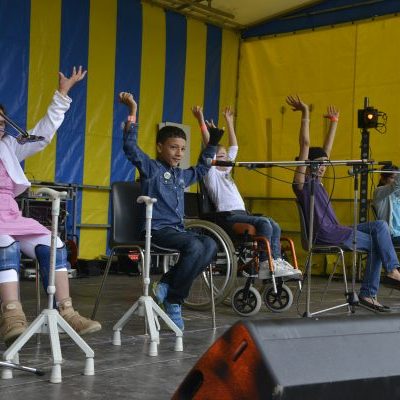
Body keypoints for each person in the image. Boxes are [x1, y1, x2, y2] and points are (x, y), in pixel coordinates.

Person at [0, 67, 102, 346]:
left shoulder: (9, 146)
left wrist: (62, 94)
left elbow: (42, 134)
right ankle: (11, 316)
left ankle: (66, 311)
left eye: (1, 122)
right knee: (4, 244)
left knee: (54, 244)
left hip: (10, 216)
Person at [288, 94, 400, 312]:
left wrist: (334, 123)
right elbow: (306, 144)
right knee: (379, 242)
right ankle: (372, 290)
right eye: (317, 164)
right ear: (307, 164)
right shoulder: (301, 184)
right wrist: (305, 114)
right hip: (326, 234)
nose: (322, 167)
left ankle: (388, 272)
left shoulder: (318, 181)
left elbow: (326, 153)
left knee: (380, 227)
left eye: (323, 165)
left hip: (338, 229)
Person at [119, 92, 222, 330]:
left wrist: (213, 143)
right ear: (159, 147)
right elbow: (130, 147)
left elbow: (202, 169)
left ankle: (166, 285)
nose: (179, 153)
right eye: (173, 147)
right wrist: (133, 110)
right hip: (155, 229)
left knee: (211, 245)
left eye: (183, 149)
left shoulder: (181, 175)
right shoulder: (151, 168)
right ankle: (174, 301)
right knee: (195, 246)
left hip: (176, 230)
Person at [191, 105, 300, 280]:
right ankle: (265, 263)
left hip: (242, 213)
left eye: (225, 156)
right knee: (264, 222)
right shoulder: (211, 174)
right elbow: (208, 148)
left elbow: (234, 147)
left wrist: (230, 122)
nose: (225, 159)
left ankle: (276, 261)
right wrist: (201, 121)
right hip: (228, 216)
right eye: (220, 156)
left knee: (274, 224)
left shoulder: (227, 172)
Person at [373, 165, 400, 246]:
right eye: (392, 178)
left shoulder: (396, 194)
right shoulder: (379, 192)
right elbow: (395, 185)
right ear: (383, 179)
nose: (395, 180)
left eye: (396, 177)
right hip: (391, 235)